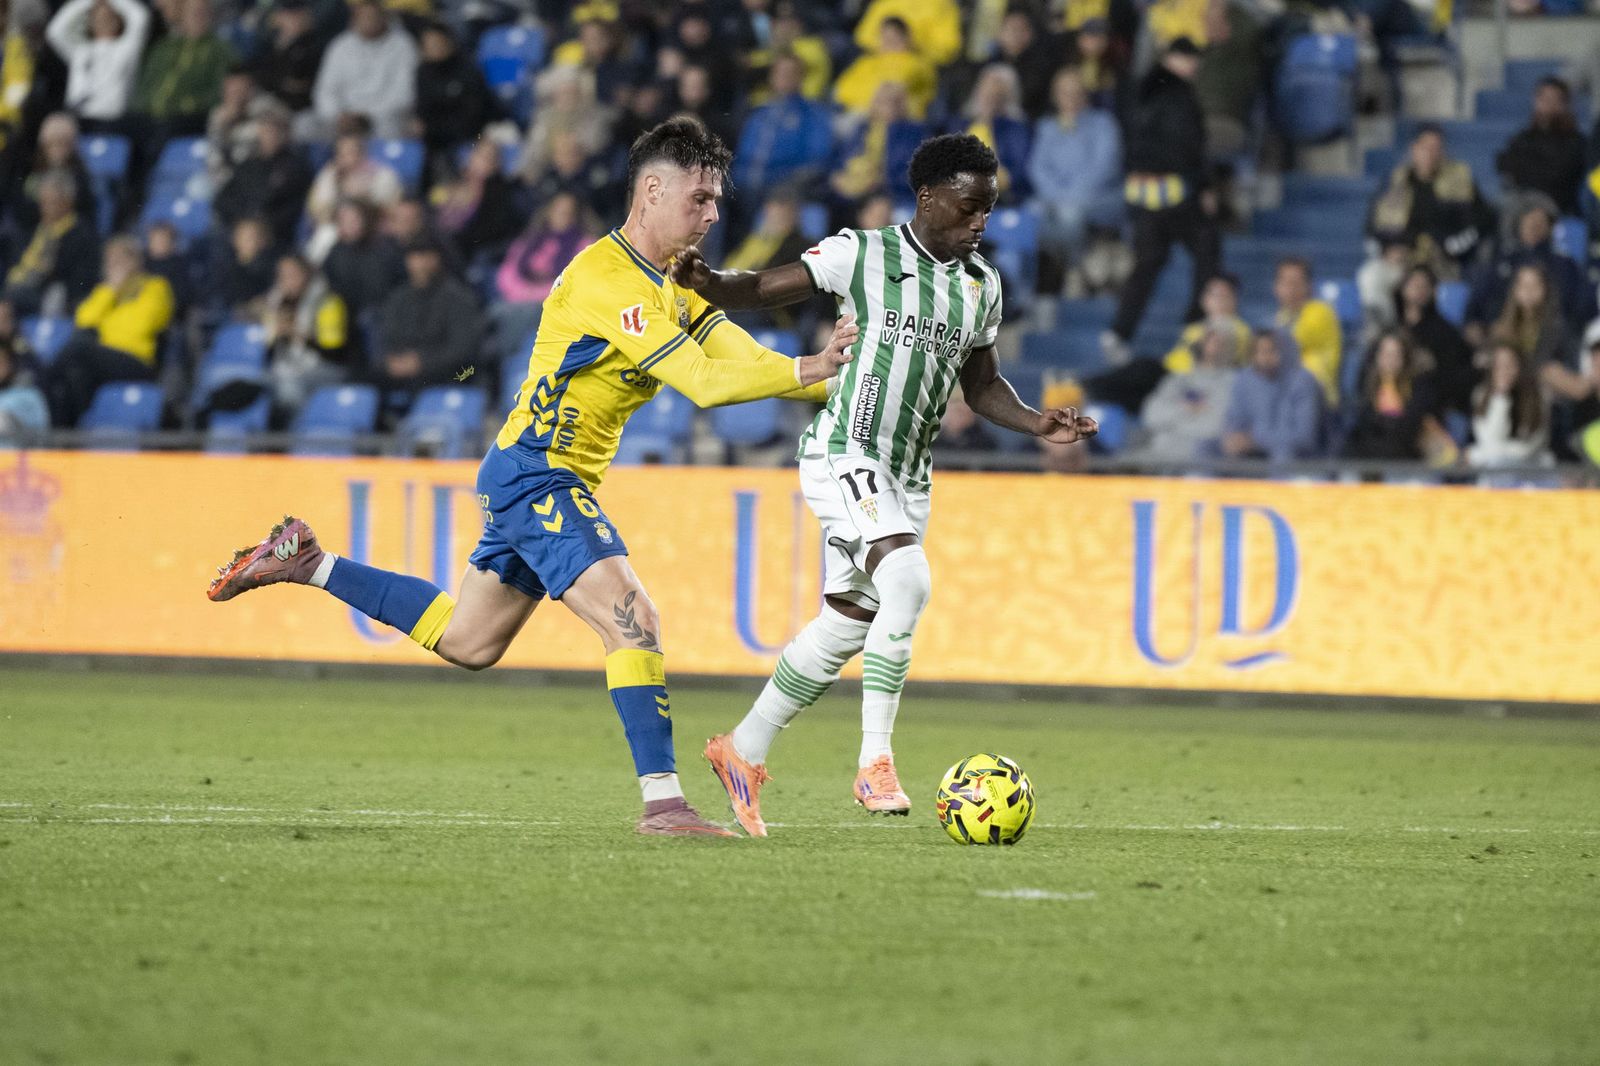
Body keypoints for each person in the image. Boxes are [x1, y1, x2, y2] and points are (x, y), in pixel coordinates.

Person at [206, 118, 860, 837]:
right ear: (651, 191)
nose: (711, 215)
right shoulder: (605, 279)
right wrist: (811, 368)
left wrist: (851, 385)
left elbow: (741, 357)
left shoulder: (674, 283)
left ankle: (311, 562)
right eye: (699, 199)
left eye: (715, 201)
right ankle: (665, 805)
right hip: (537, 473)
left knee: (469, 642)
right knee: (633, 618)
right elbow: (704, 383)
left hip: (532, 475)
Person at [669, 134, 1098, 835]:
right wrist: (708, 284)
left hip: (906, 476)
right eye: (968, 208)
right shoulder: (862, 255)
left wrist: (1035, 422)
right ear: (928, 198)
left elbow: (981, 385)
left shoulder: (981, 286)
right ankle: (875, 765)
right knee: (907, 579)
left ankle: (741, 750)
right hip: (845, 451)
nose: (979, 223)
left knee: (847, 623)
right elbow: (765, 287)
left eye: (988, 210)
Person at [1103, 38, 1219, 362]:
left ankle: (1118, 332)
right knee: (1206, 244)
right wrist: (1203, 185)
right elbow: (1186, 146)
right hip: (1174, 191)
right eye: (1190, 57)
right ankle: (1197, 323)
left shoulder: (1139, 89)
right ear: (1175, 58)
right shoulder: (1178, 95)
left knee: (1149, 261)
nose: (1194, 65)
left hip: (1140, 191)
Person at [43, 235, 174, 425]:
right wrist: (111, 290)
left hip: (137, 359)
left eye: (121, 260)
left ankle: (43, 381)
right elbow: (84, 320)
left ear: (136, 261)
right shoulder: (106, 291)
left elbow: (146, 323)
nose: (115, 266)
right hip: (103, 361)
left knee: (79, 348)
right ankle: (70, 435)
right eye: (111, 261)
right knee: (73, 378)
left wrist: (122, 293)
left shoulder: (155, 287)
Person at [1027, 66, 1122, 287]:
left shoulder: (1104, 123)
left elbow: (1104, 167)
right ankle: (1080, 263)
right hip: (1055, 198)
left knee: (1070, 215)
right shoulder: (1047, 126)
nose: (1070, 98)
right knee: (1031, 213)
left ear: (1085, 94)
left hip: (1099, 196)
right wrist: (1058, 195)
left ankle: (1072, 270)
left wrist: (1069, 197)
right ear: (1055, 96)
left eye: (1076, 91)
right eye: (1064, 92)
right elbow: (1038, 168)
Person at [1366, 125, 1496, 281]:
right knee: (1371, 277)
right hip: (1402, 260)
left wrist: (1453, 248)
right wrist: (1386, 251)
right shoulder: (1393, 182)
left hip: (1444, 262)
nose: (1430, 154)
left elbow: (1484, 221)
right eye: (1425, 147)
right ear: (1413, 149)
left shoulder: (1460, 181)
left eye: (1436, 148)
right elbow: (1372, 226)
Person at [1464, 198, 1594, 345]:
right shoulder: (1502, 262)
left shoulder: (1563, 264)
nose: (1533, 226)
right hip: (1501, 339)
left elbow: (1577, 305)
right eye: (1528, 220)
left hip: (1550, 338)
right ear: (1518, 224)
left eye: (1539, 222)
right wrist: (1476, 327)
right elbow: (1477, 303)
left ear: (1550, 228)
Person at [372, 233, 483, 404]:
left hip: (456, 372)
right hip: (402, 367)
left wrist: (422, 362)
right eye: (414, 257)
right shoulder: (398, 298)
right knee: (359, 376)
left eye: (426, 257)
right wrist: (392, 362)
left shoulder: (458, 297)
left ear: (438, 260)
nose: (420, 264)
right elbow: (385, 337)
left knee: (443, 377)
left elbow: (464, 350)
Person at [731, 52, 833, 201]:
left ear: (801, 77)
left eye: (790, 73)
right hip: (743, 187)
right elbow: (742, 156)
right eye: (779, 72)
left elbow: (817, 159)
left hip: (783, 188)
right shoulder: (758, 114)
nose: (784, 77)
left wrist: (785, 180)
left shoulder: (814, 115)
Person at [1133, 319, 1240, 461]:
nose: (1215, 346)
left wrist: (1173, 423)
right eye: (1211, 340)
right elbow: (1151, 414)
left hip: (1201, 457)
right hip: (1160, 453)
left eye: (1221, 342)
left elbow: (1216, 426)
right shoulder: (1179, 378)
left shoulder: (1236, 382)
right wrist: (1185, 409)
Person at [311, 0, 417, 140]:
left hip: (383, 117)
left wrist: (367, 116)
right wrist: (338, 115)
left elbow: (405, 94)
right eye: (363, 17)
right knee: (306, 125)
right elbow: (325, 90)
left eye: (373, 17)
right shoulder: (340, 45)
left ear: (384, 18)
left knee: (391, 126)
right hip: (343, 117)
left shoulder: (403, 45)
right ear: (354, 19)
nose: (368, 22)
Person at [130, 0, 235, 141]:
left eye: (202, 12)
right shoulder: (163, 48)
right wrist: (141, 107)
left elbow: (219, 91)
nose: (197, 17)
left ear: (210, 15)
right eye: (193, 13)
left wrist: (186, 105)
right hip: (148, 118)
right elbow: (144, 85)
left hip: (188, 119)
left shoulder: (219, 50)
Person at [1220, 329, 1324, 463]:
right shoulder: (1244, 379)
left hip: (1296, 458)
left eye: (1271, 351)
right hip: (1250, 453)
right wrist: (1232, 438)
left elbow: (1304, 437)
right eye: (1259, 352)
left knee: (1283, 454)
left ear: (1285, 351)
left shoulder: (1303, 381)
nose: (1265, 357)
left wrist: (1255, 440)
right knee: (1207, 448)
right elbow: (1234, 419)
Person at [304, 120, 403, 261]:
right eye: (342, 153)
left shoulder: (383, 174)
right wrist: (335, 187)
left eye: (352, 152)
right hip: (338, 227)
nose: (347, 158)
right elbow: (318, 211)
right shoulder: (329, 174)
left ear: (362, 153)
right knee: (325, 235)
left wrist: (362, 197)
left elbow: (391, 208)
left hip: (374, 228)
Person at [261, 252, 348, 414]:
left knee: (289, 388)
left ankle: (295, 435)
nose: (288, 281)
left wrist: (297, 334)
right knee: (255, 384)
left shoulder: (328, 302)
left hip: (327, 367)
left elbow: (334, 352)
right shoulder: (277, 303)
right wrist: (275, 334)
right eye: (283, 276)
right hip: (288, 368)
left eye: (293, 274)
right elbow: (267, 353)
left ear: (307, 274)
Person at [3, 171, 99, 315]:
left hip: (46, 293)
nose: (45, 208)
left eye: (52, 202)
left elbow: (80, 278)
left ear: (68, 201)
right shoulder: (34, 227)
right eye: (43, 202)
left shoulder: (81, 234)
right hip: (16, 285)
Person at [213, 107, 314, 239]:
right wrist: (243, 220)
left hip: (276, 233)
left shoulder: (296, 167)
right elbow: (223, 200)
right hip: (241, 229)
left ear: (285, 134)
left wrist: (264, 224)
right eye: (265, 131)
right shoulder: (248, 165)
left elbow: (297, 205)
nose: (270, 136)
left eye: (274, 131)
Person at [45, 0, 150, 126]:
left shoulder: (126, 49)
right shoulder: (80, 51)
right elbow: (54, 31)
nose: (103, 19)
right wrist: (88, 2)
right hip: (77, 120)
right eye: (97, 16)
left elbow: (140, 17)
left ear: (118, 20)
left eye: (109, 16)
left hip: (109, 122)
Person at [1495, 76, 1587, 218]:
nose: (1548, 105)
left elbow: (1559, 175)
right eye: (1543, 99)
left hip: (1556, 207)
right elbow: (1503, 163)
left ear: (1565, 104)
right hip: (1520, 202)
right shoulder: (1523, 137)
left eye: (1554, 99)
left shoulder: (1576, 141)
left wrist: (1526, 169)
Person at [1340, 331, 1438, 460]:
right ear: (1377, 357)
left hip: (1405, 460)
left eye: (1395, 355)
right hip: (1369, 460)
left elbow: (1410, 427)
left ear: (1404, 358)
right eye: (1386, 354)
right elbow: (1360, 427)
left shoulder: (1417, 386)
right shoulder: (1366, 385)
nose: (1390, 360)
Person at [1395, 264, 1474, 417]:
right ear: (1403, 288)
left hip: (1430, 405)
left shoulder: (1445, 333)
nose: (1419, 291)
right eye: (1415, 285)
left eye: (1425, 286)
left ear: (1433, 292)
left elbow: (1455, 374)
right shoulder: (1392, 327)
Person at [494, 190, 597, 305]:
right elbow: (507, 272)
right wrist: (523, 293)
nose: (560, 215)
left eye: (566, 212)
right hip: (518, 298)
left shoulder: (586, 245)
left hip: (555, 304)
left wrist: (536, 295)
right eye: (557, 210)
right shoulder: (530, 238)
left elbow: (574, 284)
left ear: (576, 215)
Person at [413, 21, 494, 166]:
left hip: (475, 134)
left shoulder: (469, 70)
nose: (434, 48)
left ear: (449, 42)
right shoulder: (423, 72)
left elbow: (474, 114)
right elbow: (423, 110)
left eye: (437, 43)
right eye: (429, 45)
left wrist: (435, 127)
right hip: (436, 138)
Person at [432, 138, 521, 264]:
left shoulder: (498, 191)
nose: (485, 161)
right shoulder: (455, 180)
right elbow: (434, 205)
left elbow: (489, 229)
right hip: (438, 239)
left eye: (490, 158)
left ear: (497, 165)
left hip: (463, 248)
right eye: (481, 155)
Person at [832, 17, 937, 121]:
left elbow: (897, 87)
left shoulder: (918, 64)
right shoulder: (866, 63)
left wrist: (880, 99)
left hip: (904, 120)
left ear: (905, 38)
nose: (889, 42)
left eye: (894, 38)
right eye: (885, 37)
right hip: (860, 114)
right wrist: (870, 100)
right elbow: (841, 91)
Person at [1272, 257, 1342, 407]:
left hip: (1318, 395)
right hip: (1287, 394)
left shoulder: (1321, 311)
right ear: (1276, 287)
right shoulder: (1281, 317)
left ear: (1309, 286)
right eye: (1285, 282)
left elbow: (1289, 345)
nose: (1291, 288)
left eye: (1296, 282)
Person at [1467, 342, 1549, 468]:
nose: (1504, 371)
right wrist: (1501, 397)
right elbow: (1488, 441)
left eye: (1510, 365)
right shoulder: (1481, 394)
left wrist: (1479, 454)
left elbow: (1528, 448)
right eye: (1498, 366)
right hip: (1493, 468)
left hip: (1530, 468)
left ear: (1521, 367)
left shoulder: (1538, 395)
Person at [1490, 263, 1575, 371]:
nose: (1528, 291)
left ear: (1545, 289)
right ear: (1515, 289)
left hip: (1538, 381)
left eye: (1535, 285)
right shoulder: (1502, 327)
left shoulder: (1555, 327)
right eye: (1523, 285)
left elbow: (1543, 363)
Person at [250, 0, 324, 118]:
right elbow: (261, 77)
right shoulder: (270, 44)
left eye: (297, 14)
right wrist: (282, 82)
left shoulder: (314, 47)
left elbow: (300, 84)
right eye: (288, 14)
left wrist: (279, 82)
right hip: (272, 105)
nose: (293, 19)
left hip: (301, 112)